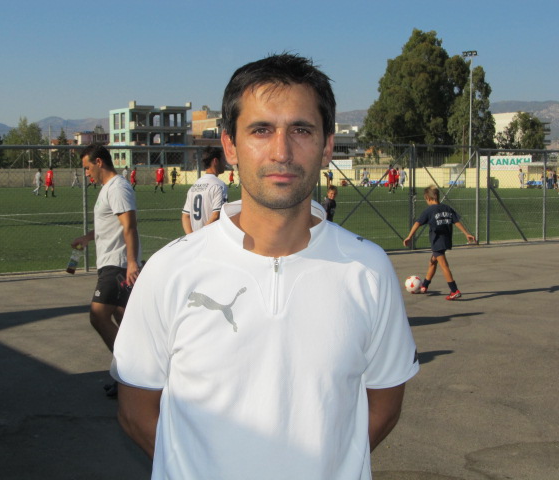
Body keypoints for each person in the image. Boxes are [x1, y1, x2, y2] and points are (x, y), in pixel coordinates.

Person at [112, 53, 419, 480]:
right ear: (230, 146)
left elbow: (384, 405)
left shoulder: (368, 270)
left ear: (327, 146)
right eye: (261, 130)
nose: (282, 151)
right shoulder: (170, 271)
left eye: (301, 130)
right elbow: (136, 411)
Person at [71, 144, 142, 397]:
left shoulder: (118, 187)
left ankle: (129, 372)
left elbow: (129, 226)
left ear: (99, 162)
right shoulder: (107, 189)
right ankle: (133, 377)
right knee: (124, 321)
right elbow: (109, 224)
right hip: (112, 263)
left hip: (118, 264)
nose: (86, 173)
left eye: (87, 167)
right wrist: (88, 238)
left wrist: (131, 262)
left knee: (98, 315)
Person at [403, 185, 476, 300]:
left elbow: (417, 223)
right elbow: (456, 221)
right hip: (446, 241)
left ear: (428, 198)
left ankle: (454, 290)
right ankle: (425, 285)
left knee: (444, 265)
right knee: (432, 262)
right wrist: (466, 233)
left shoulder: (429, 210)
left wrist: (409, 236)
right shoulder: (447, 208)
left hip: (437, 241)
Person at [181, 146, 227, 234]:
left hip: (198, 238)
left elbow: (185, 216)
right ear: (215, 161)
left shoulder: (194, 186)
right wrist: (202, 235)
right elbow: (216, 215)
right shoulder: (219, 185)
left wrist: (192, 237)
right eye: (223, 160)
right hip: (211, 236)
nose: (225, 163)